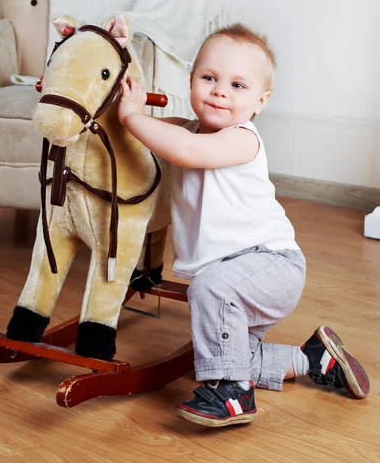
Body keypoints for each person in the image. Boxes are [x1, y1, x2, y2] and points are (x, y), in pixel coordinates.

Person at [117, 23, 370, 428]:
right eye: (209, 78)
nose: (220, 91)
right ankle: (313, 359)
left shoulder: (241, 138)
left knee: (211, 290)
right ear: (191, 81)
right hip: (238, 276)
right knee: (237, 356)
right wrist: (126, 103)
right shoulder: (189, 129)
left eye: (237, 85)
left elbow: (181, 149)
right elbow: (164, 134)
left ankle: (233, 396)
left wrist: (131, 116)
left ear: (260, 102)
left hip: (271, 265)